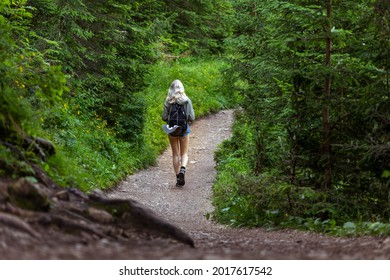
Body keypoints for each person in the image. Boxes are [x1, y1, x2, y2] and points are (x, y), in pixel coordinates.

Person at [162, 80, 195, 187]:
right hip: (184, 129)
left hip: (172, 130)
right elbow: (192, 117)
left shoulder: (168, 101)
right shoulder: (187, 101)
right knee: (184, 153)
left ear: (171, 89)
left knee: (175, 154)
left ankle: (177, 178)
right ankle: (183, 169)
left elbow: (164, 117)